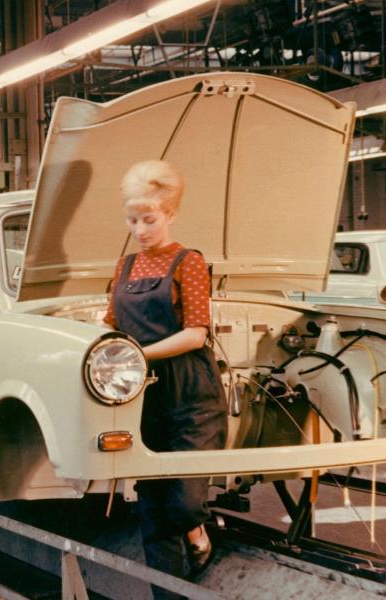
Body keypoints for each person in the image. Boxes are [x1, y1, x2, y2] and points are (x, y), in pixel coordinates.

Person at [103, 160, 228, 585]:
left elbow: (195, 334)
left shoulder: (188, 262)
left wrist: (139, 356)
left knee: (184, 500)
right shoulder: (124, 267)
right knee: (153, 507)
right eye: (132, 220)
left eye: (149, 220)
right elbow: (110, 325)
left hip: (191, 393)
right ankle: (168, 592)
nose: (140, 230)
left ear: (170, 215)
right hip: (144, 394)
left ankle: (197, 531)